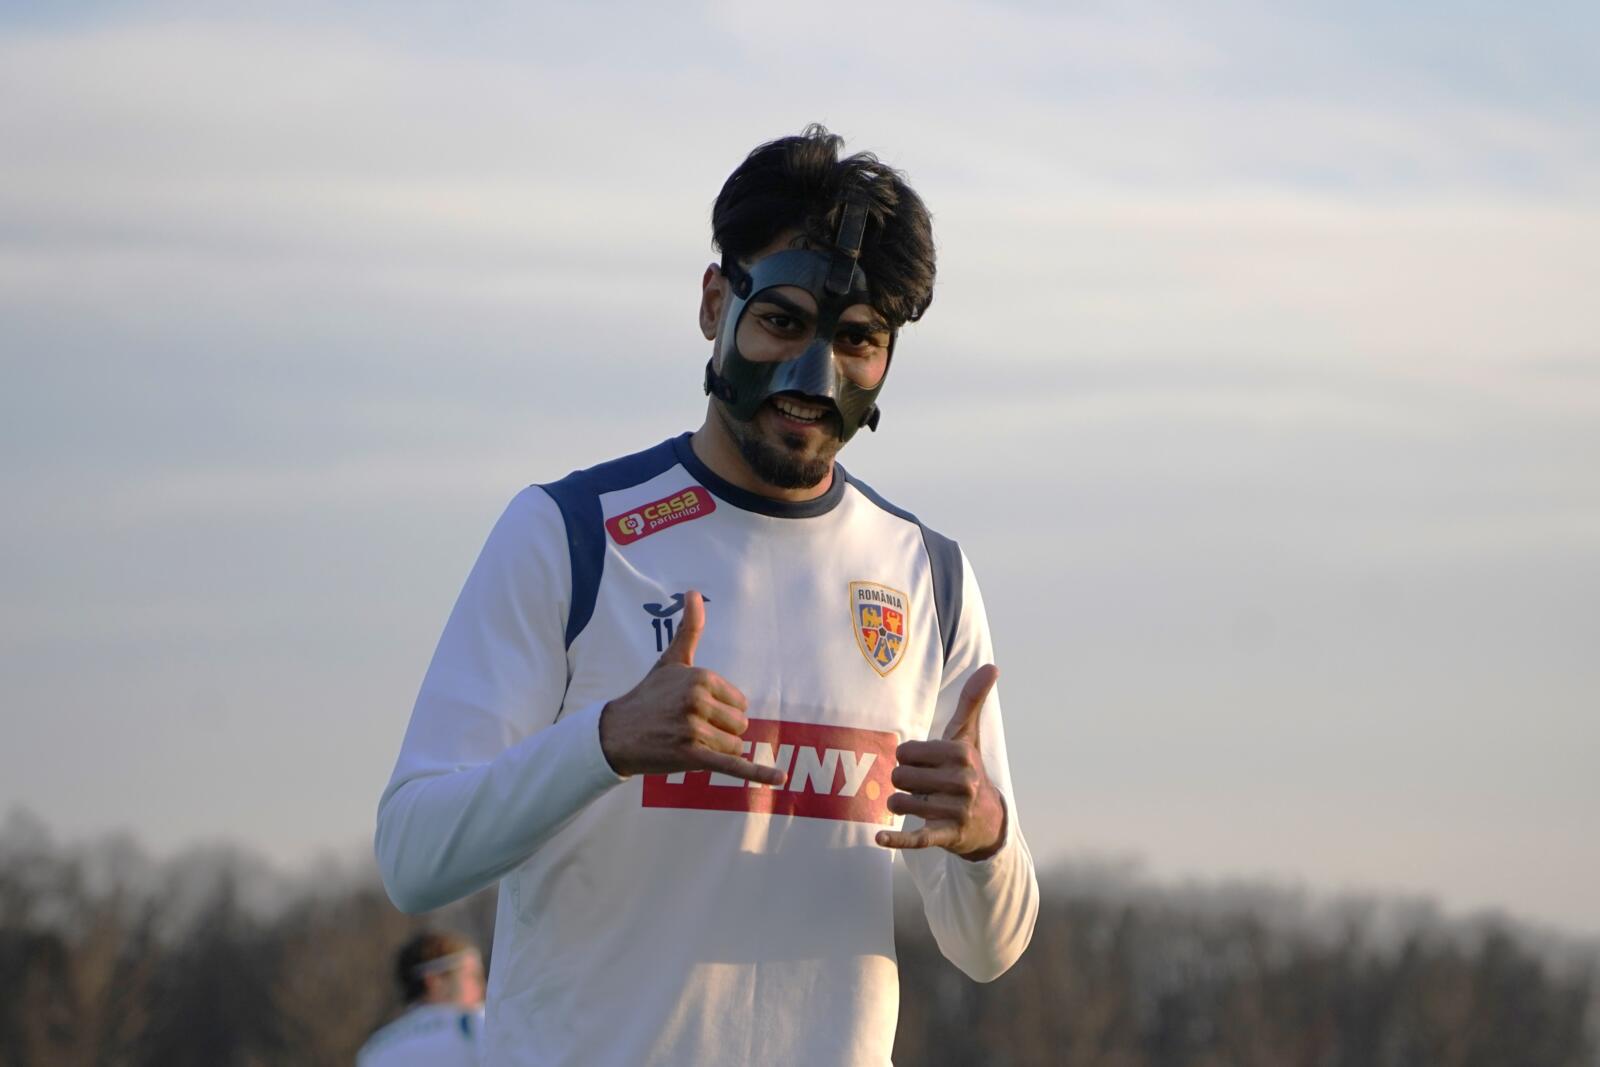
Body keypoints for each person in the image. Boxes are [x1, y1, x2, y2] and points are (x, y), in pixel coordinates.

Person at [376, 124, 1038, 1066]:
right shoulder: (569, 534)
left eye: (857, 339)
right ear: (715, 302)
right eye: (783, 322)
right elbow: (413, 855)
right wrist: (604, 741)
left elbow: (989, 947)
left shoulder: (928, 576)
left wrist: (986, 838)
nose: (814, 375)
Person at [356, 930, 485, 1067]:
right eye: (473, 976)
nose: (484, 987)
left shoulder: (374, 1048)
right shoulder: (476, 1026)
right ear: (434, 982)